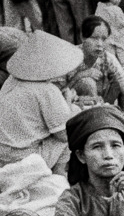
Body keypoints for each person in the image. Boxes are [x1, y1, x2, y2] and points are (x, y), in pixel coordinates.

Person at [0, 30, 83, 173]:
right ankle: (60, 173)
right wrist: (68, 101)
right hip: (25, 158)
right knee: (74, 121)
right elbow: (63, 134)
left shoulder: (11, 80)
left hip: (4, 154)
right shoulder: (47, 90)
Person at [71, 16, 124, 132]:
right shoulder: (72, 57)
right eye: (94, 38)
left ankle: (123, 118)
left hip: (103, 100)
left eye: (104, 39)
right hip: (80, 104)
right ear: (82, 37)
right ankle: (96, 124)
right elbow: (61, 89)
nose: (99, 44)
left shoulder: (107, 58)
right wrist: (82, 75)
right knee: (87, 82)